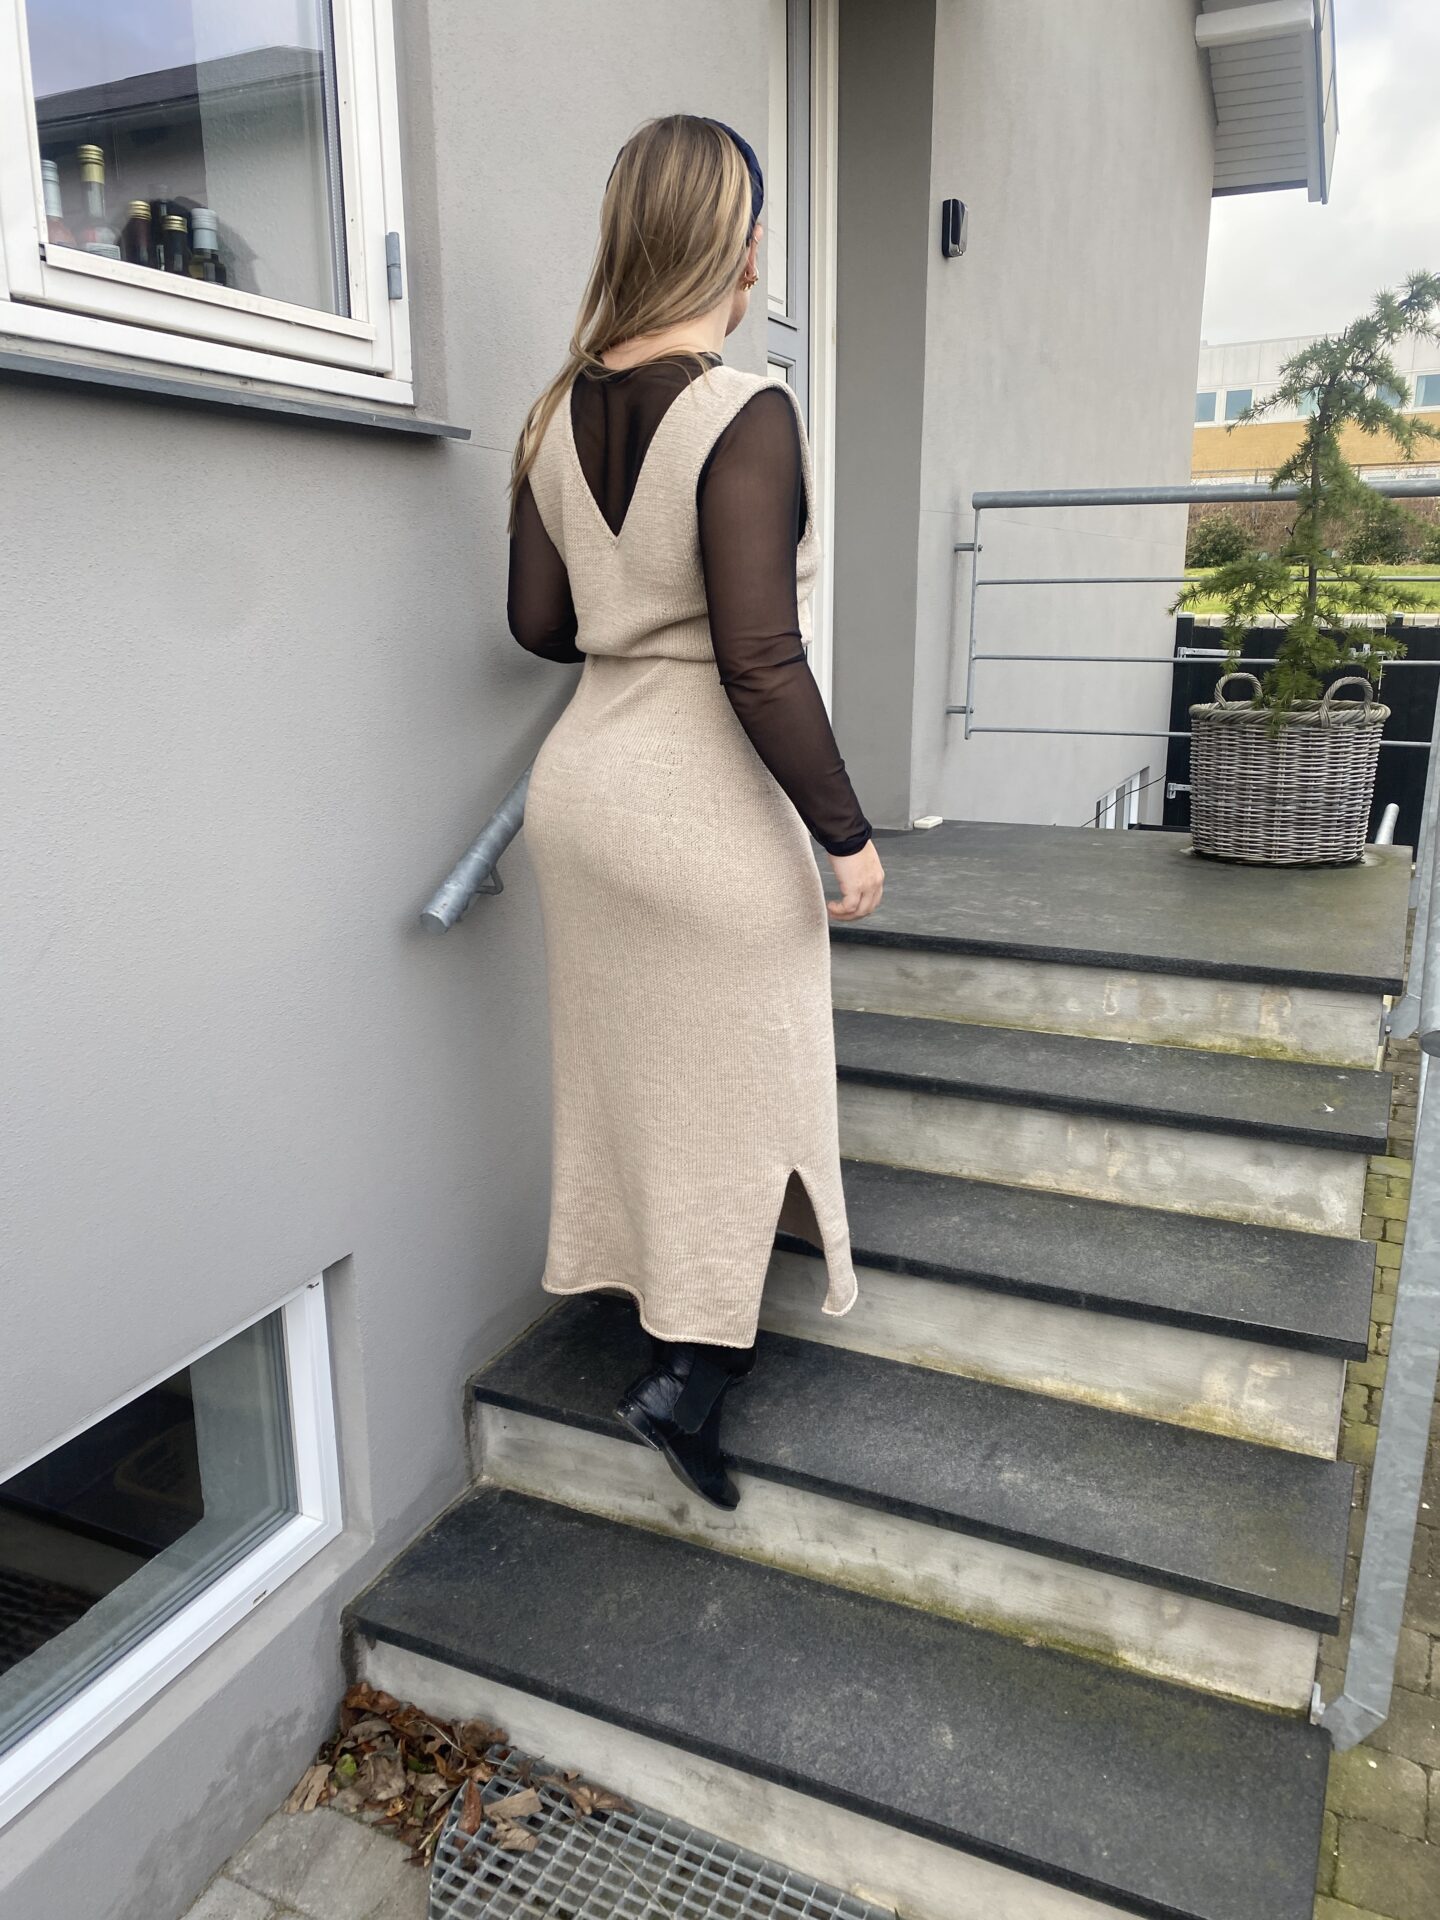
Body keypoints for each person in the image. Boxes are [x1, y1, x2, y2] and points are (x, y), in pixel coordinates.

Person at [506, 112, 883, 1514]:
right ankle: (691, 1374)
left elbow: (537, 623)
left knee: (646, 1071)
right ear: (741, 245)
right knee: (753, 1079)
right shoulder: (744, 409)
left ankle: (663, 1312)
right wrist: (846, 833)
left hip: (583, 792)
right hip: (700, 800)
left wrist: (629, 622)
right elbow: (759, 656)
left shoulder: (554, 412)